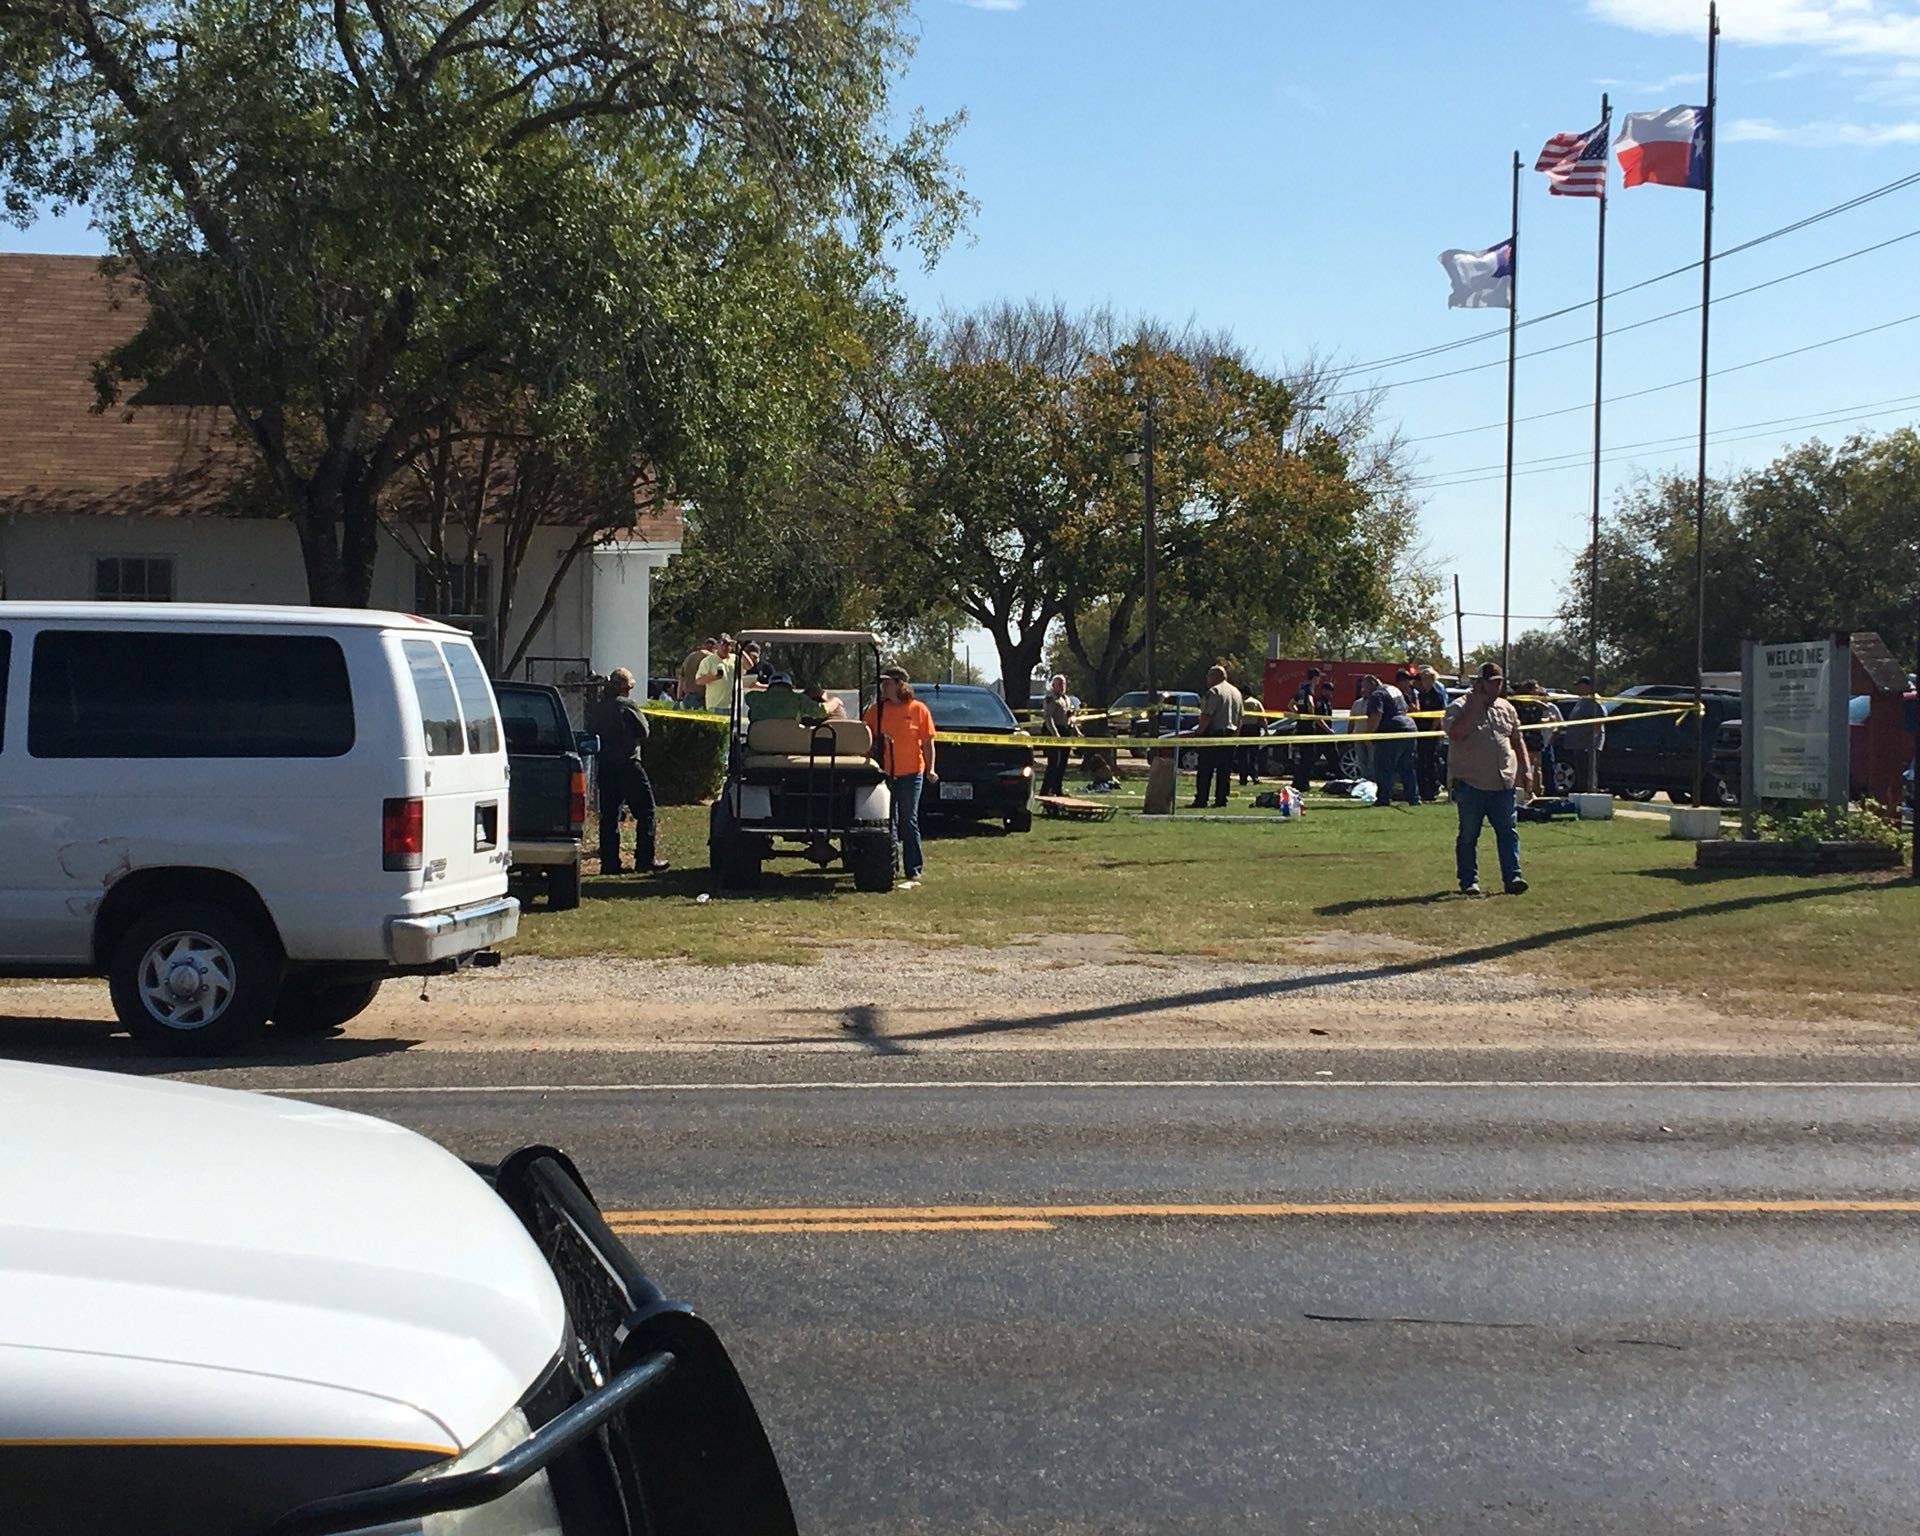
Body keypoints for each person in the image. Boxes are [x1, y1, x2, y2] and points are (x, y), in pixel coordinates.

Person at [1443, 662, 1532, 896]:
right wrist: (1473, 708)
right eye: (1493, 682)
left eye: (1500, 682)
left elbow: (1516, 739)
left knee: (1508, 832)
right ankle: (1468, 881)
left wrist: (1525, 769)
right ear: (1479, 683)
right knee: (1469, 835)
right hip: (1471, 783)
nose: (1498, 686)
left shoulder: (1506, 708)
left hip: (1503, 783)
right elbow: (1455, 734)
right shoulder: (1458, 707)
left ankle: (1513, 877)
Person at [585, 667, 668, 875]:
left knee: (609, 815)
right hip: (629, 764)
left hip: (605, 765)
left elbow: (590, 730)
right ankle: (644, 860)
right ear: (625, 688)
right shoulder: (627, 705)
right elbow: (644, 731)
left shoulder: (599, 707)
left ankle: (609, 863)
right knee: (647, 811)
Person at [863, 666, 937, 883]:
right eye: (882, 683)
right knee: (887, 821)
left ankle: (913, 867)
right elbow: (864, 736)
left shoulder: (918, 709)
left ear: (899, 684)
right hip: (884, 774)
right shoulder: (876, 710)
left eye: (887, 683)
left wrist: (931, 769)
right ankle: (889, 864)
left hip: (912, 772)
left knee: (908, 820)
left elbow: (928, 742)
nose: (883, 687)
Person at [1186, 665, 1243, 809]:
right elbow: (1240, 717)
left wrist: (1199, 731)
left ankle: (1201, 800)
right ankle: (1221, 800)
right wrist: (1236, 736)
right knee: (1224, 772)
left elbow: (1207, 714)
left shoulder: (1214, 691)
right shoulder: (1236, 692)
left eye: (1209, 676)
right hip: (1230, 736)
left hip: (1213, 734)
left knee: (1205, 770)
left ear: (1216, 676)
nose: (1207, 679)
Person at [1366, 670, 1420, 807]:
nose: (1363, 691)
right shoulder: (1393, 689)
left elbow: (1376, 715)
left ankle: (1383, 799)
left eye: (1365, 687)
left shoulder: (1377, 694)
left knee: (1384, 767)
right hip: (1409, 729)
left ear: (1373, 683)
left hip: (1391, 732)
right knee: (1407, 768)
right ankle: (1413, 798)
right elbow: (1406, 708)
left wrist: (1369, 734)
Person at [1512, 679, 1563, 799]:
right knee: (1524, 766)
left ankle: (1536, 791)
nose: (1538, 691)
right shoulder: (1519, 702)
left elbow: (1542, 713)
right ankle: (1523, 792)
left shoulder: (1536, 704)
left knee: (1537, 767)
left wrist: (1548, 720)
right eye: (1536, 688)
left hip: (1536, 739)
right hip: (1525, 738)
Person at [1558, 676, 1608, 792]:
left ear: (1587, 686)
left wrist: (1592, 739)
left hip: (1588, 745)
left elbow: (1600, 719)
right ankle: (1581, 791)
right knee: (1580, 771)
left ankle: (1590, 791)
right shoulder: (1582, 700)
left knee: (1588, 771)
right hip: (1578, 743)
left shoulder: (1594, 700)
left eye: (1580, 686)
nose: (1578, 689)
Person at [1412, 665, 1450, 803]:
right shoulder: (1420, 695)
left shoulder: (1437, 696)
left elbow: (1438, 716)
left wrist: (1431, 732)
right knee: (1421, 762)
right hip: (1421, 733)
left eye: (1425, 678)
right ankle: (1422, 790)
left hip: (1432, 734)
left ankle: (1433, 789)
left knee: (1431, 761)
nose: (1423, 681)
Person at [1040, 673, 1079, 797]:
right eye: (1060, 684)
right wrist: (1055, 734)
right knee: (1053, 763)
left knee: (1063, 763)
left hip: (1064, 731)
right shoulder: (1050, 698)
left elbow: (1069, 717)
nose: (1062, 686)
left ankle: (1057, 789)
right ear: (1053, 685)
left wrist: (1076, 730)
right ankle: (1045, 791)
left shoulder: (1066, 699)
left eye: (1064, 684)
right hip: (1052, 732)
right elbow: (1048, 717)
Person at [1293, 679, 1334, 794]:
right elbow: (1312, 708)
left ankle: (1300, 782)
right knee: (1308, 759)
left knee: (1306, 759)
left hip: (1304, 729)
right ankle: (1303, 784)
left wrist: (1299, 715)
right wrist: (1311, 717)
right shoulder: (1310, 693)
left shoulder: (1300, 692)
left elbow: (1290, 704)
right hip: (1313, 732)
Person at [694, 634, 735, 713]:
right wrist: (715, 677)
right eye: (723, 644)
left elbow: (749, 665)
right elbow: (698, 681)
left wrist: (739, 647)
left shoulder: (735, 658)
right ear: (717, 645)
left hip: (733, 706)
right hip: (716, 706)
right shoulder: (708, 661)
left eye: (728, 645)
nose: (725, 647)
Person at [677, 637, 715, 709]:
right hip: (700, 699)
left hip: (687, 697)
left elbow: (681, 679)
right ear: (712, 647)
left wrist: (678, 699)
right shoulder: (709, 656)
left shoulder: (689, 657)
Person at [1238, 695, 1267, 785]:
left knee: (1242, 756)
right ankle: (1255, 777)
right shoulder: (1256, 702)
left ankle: (1243, 778)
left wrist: (1236, 732)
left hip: (1243, 729)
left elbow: (1237, 717)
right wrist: (1266, 730)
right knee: (1253, 755)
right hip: (1254, 729)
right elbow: (1262, 717)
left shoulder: (1241, 702)